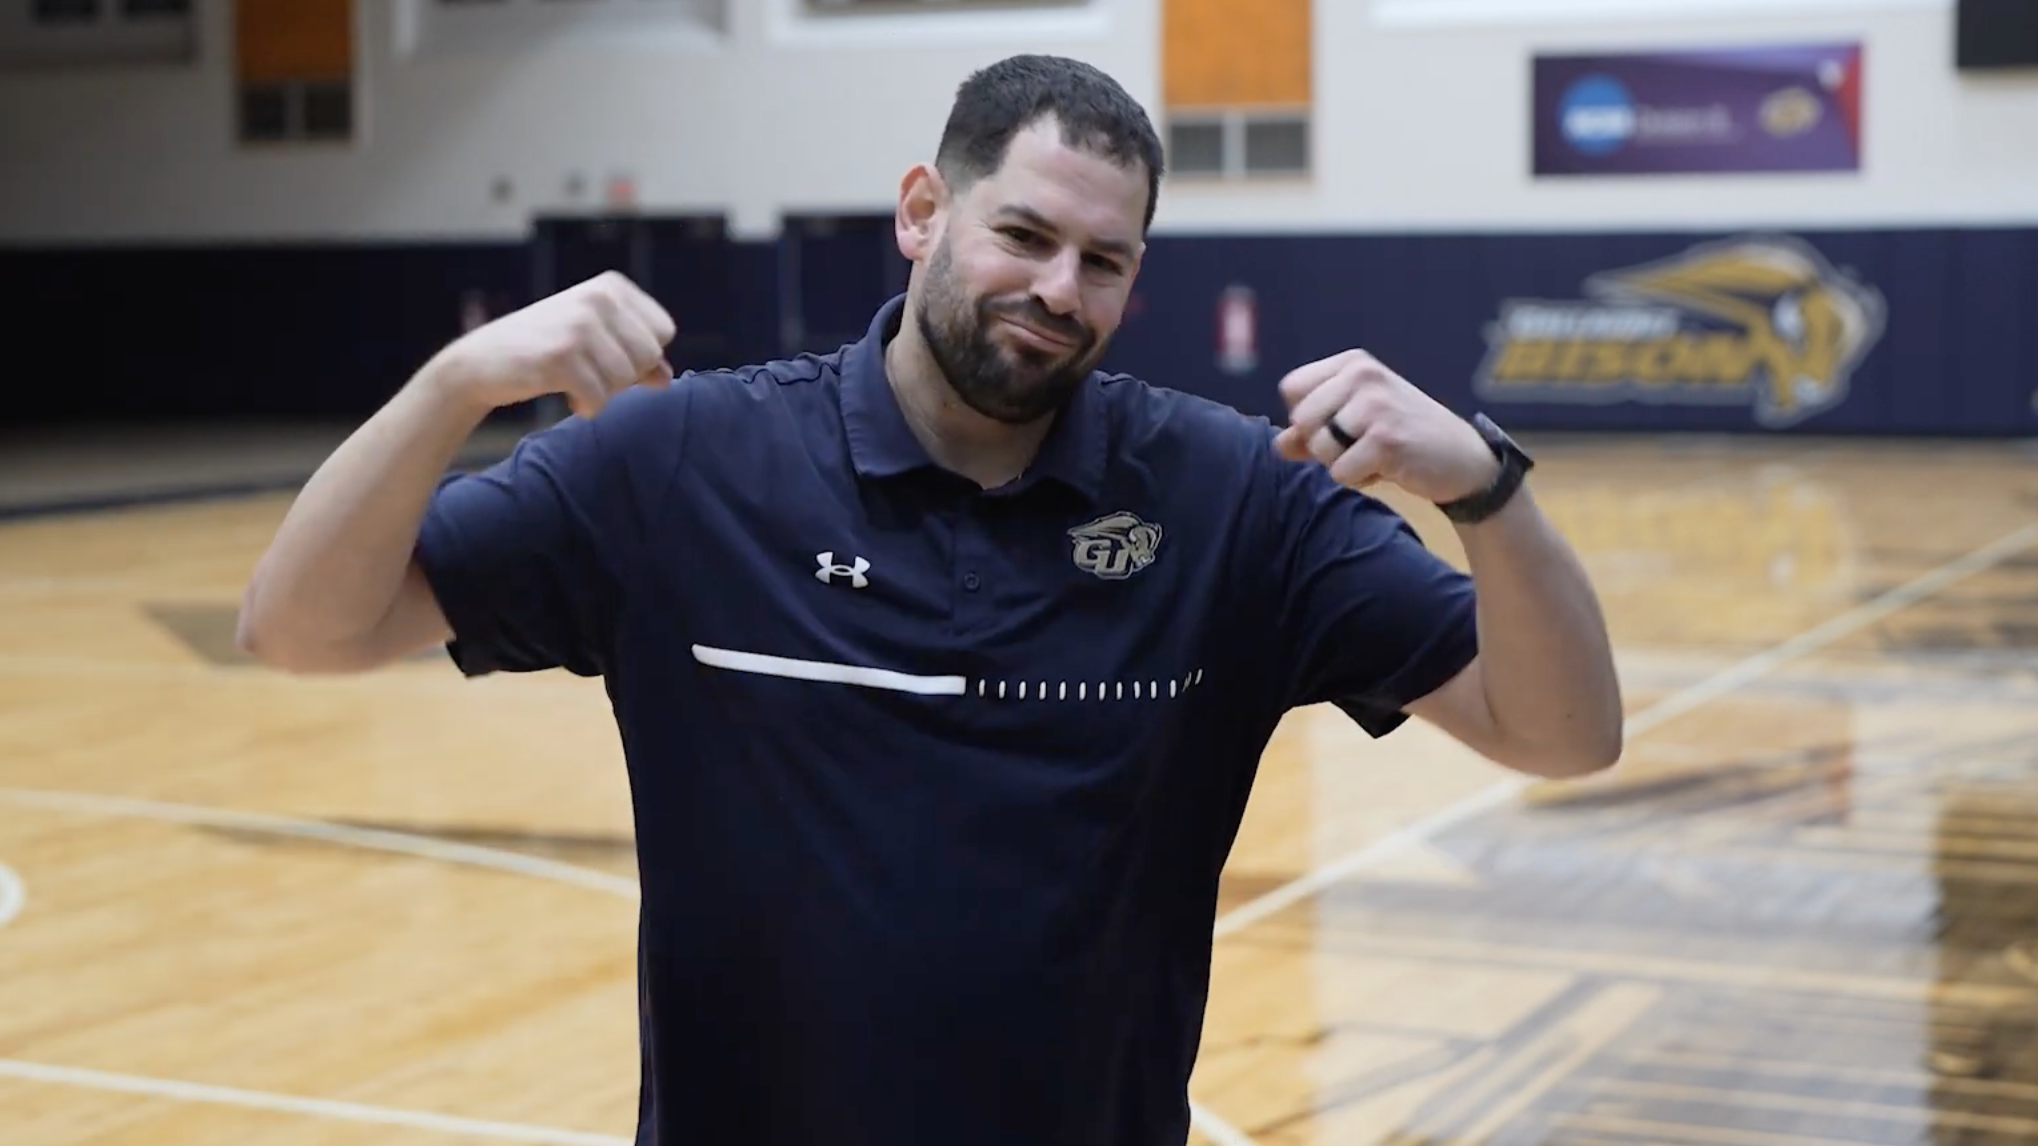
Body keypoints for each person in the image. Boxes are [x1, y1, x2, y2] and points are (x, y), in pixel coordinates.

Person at [238, 53, 1621, 1146]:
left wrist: (1487, 492)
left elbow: (1557, 733)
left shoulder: (1228, 501)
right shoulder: (684, 462)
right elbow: (300, 628)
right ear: (920, 212)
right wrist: (452, 386)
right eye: (1020, 232)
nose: (1054, 289)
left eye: (1103, 260)